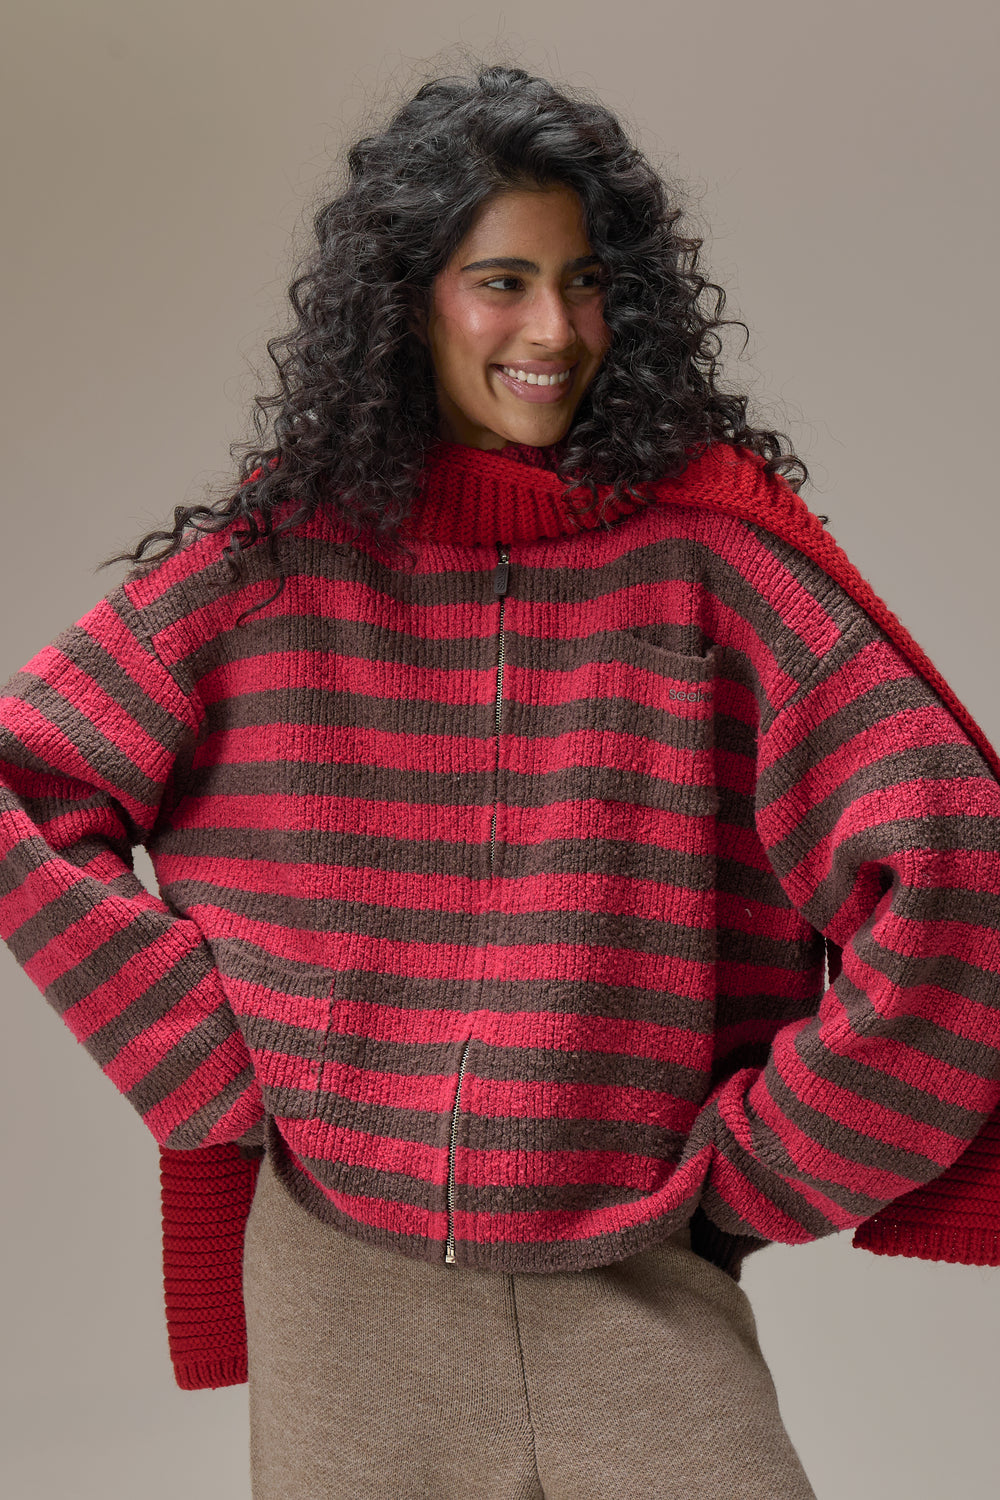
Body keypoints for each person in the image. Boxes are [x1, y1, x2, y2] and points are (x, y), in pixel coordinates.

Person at [1, 62, 999, 1500]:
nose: (554, 330)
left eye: (586, 283)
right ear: (406, 302)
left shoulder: (713, 563)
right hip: (338, 1290)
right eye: (502, 282)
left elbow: (958, 869)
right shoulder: (275, 569)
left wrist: (767, 1168)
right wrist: (213, 1063)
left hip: (635, 1280)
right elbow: (29, 780)